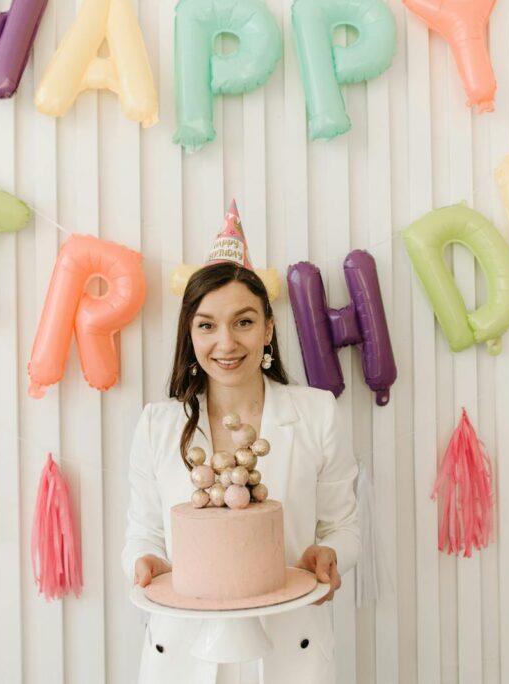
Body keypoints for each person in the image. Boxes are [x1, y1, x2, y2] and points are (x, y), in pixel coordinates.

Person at [121, 202, 360, 684]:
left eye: (244, 322)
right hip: (182, 653)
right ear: (190, 335)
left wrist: (330, 555)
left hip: (290, 651)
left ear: (269, 329)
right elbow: (142, 531)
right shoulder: (157, 424)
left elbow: (342, 526)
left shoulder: (316, 413)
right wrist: (143, 562)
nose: (225, 342)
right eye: (206, 325)